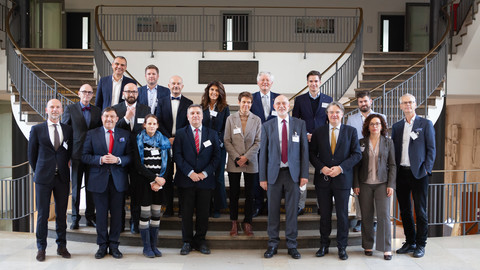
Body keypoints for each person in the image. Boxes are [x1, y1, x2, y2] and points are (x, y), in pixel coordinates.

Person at [309, 101, 362, 260]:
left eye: (337, 112)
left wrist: (341, 168)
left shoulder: (351, 132)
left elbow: (357, 154)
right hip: (323, 180)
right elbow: (312, 154)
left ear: (342, 114)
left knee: (342, 216)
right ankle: (323, 245)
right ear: (327, 115)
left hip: (343, 180)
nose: (334, 115)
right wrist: (322, 167)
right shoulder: (319, 132)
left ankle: (342, 247)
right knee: (324, 215)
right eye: (331, 112)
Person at [259, 95, 309, 259]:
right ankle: (272, 244)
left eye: (284, 103)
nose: (281, 105)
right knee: (272, 212)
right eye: (278, 103)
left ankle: (292, 245)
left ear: (289, 105)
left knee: (292, 212)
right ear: (274, 105)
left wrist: (304, 174)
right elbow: (263, 154)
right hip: (273, 175)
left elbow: (304, 151)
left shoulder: (299, 124)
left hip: (293, 175)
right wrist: (262, 177)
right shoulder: (267, 126)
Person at [82, 107, 132, 259]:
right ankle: (102, 246)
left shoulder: (125, 135)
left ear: (117, 119)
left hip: (118, 181)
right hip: (99, 181)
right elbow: (84, 156)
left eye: (112, 116)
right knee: (101, 216)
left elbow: (130, 156)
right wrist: (99, 159)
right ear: (102, 118)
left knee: (117, 216)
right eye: (106, 116)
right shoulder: (92, 134)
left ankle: (114, 245)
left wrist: (118, 160)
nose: (109, 119)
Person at [28, 99, 73, 262]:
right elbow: (31, 155)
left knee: (61, 215)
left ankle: (62, 246)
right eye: (52, 107)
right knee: (43, 215)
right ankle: (41, 248)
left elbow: (69, 152)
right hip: (43, 178)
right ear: (46, 110)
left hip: (61, 177)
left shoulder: (68, 130)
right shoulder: (37, 129)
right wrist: (41, 169)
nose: (55, 110)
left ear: (62, 110)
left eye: (58, 107)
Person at [392, 93, 435, 258]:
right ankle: (410, 241)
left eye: (410, 102)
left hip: (419, 173)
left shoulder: (425, 124)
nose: (407, 105)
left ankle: (421, 244)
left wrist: (427, 169)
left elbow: (431, 149)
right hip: (401, 173)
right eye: (404, 103)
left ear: (415, 104)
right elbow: (393, 151)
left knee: (420, 210)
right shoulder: (396, 127)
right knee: (404, 210)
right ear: (401, 106)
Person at [173, 104, 220, 255]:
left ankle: (200, 241)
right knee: (186, 213)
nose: (195, 115)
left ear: (202, 115)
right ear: (187, 116)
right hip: (186, 180)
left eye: (198, 113)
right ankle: (187, 242)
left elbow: (216, 157)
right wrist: (190, 172)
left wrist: (204, 173)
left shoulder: (212, 134)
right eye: (192, 113)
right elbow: (177, 156)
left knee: (203, 213)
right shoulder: (180, 134)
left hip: (205, 181)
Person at [353, 114, 396, 260]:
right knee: (366, 216)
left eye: (377, 124)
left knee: (384, 216)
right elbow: (356, 165)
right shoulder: (361, 142)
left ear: (382, 126)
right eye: (372, 124)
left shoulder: (388, 143)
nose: (375, 126)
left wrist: (391, 184)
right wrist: (356, 184)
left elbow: (392, 165)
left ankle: (386, 248)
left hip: (382, 184)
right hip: (364, 184)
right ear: (367, 126)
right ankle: (368, 245)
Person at [292, 70, 333, 215]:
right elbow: (295, 122)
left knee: (322, 175)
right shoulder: (300, 100)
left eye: (316, 81)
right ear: (307, 82)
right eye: (311, 81)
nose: (313, 83)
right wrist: (305, 134)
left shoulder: (329, 99)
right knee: (302, 174)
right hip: (304, 142)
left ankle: (321, 205)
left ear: (320, 82)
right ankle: (300, 205)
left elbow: (330, 122)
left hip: (322, 144)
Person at [113, 83, 151, 234]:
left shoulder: (145, 109)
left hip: (138, 156)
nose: (131, 94)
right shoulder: (116, 109)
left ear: (138, 93)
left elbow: (147, 129)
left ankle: (134, 222)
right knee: (120, 191)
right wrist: (126, 119)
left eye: (134, 91)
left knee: (136, 192)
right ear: (123, 93)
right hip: (120, 155)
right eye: (128, 91)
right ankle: (120, 223)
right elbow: (114, 129)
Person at [62, 84, 102, 230]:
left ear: (92, 95)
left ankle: (90, 217)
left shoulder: (97, 111)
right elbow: (65, 132)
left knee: (91, 188)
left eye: (89, 92)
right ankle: (75, 218)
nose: (86, 94)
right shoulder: (70, 109)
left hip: (92, 155)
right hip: (76, 154)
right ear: (79, 93)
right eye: (84, 91)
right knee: (76, 187)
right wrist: (66, 156)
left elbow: (99, 132)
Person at [346, 90, 386, 232]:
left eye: (365, 101)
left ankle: (374, 220)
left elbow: (385, 138)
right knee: (358, 191)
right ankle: (360, 219)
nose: (363, 104)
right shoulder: (351, 119)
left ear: (371, 101)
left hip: (376, 159)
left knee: (375, 191)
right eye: (361, 102)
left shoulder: (381, 117)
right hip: (358, 159)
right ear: (358, 104)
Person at [132, 114, 171, 258]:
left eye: (154, 123)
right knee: (145, 215)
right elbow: (138, 165)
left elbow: (168, 164)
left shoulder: (164, 141)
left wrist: (161, 180)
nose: (152, 126)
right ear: (145, 125)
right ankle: (146, 247)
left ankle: (154, 246)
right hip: (144, 183)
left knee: (156, 215)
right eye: (149, 123)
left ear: (157, 125)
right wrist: (153, 179)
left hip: (159, 184)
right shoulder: (138, 140)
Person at [224, 91, 261, 236]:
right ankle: (234, 222)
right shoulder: (230, 119)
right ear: (239, 102)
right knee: (234, 194)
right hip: (234, 162)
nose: (246, 105)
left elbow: (258, 142)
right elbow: (226, 140)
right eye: (244, 102)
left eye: (249, 102)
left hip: (251, 162)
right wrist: (237, 158)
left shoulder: (257, 120)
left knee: (250, 194)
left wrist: (246, 157)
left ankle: (247, 223)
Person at [156, 75, 193, 217]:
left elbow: (189, 123)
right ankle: (169, 207)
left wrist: (177, 138)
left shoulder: (188, 102)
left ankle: (183, 208)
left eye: (178, 83)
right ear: (169, 85)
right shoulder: (162, 101)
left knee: (183, 175)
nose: (176, 85)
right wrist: (168, 138)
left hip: (183, 142)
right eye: (173, 83)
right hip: (165, 143)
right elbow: (158, 121)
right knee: (167, 175)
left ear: (182, 86)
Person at [250, 71, 279, 217]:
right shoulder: (251, 98)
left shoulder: (278, 98)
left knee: (273, 174)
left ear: (272, 83)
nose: (265, 82)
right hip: (257, 143)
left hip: (275, 144)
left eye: (268, 80)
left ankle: (270, 205)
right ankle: (258, 204)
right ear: (258, 82)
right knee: (257, 175)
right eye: (262, 80)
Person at [201, 81, 230, 218]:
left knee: (218, 177)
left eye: (217, 90)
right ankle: (206, 206)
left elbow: (226, 128)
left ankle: (218, 207)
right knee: (206, 176)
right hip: (204, 147)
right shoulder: (201, 107)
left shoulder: (225, 108)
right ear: (208, 91)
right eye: (212, 89)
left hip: (219, 146)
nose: (214, 92)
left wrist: (218, 141)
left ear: (220, 93)